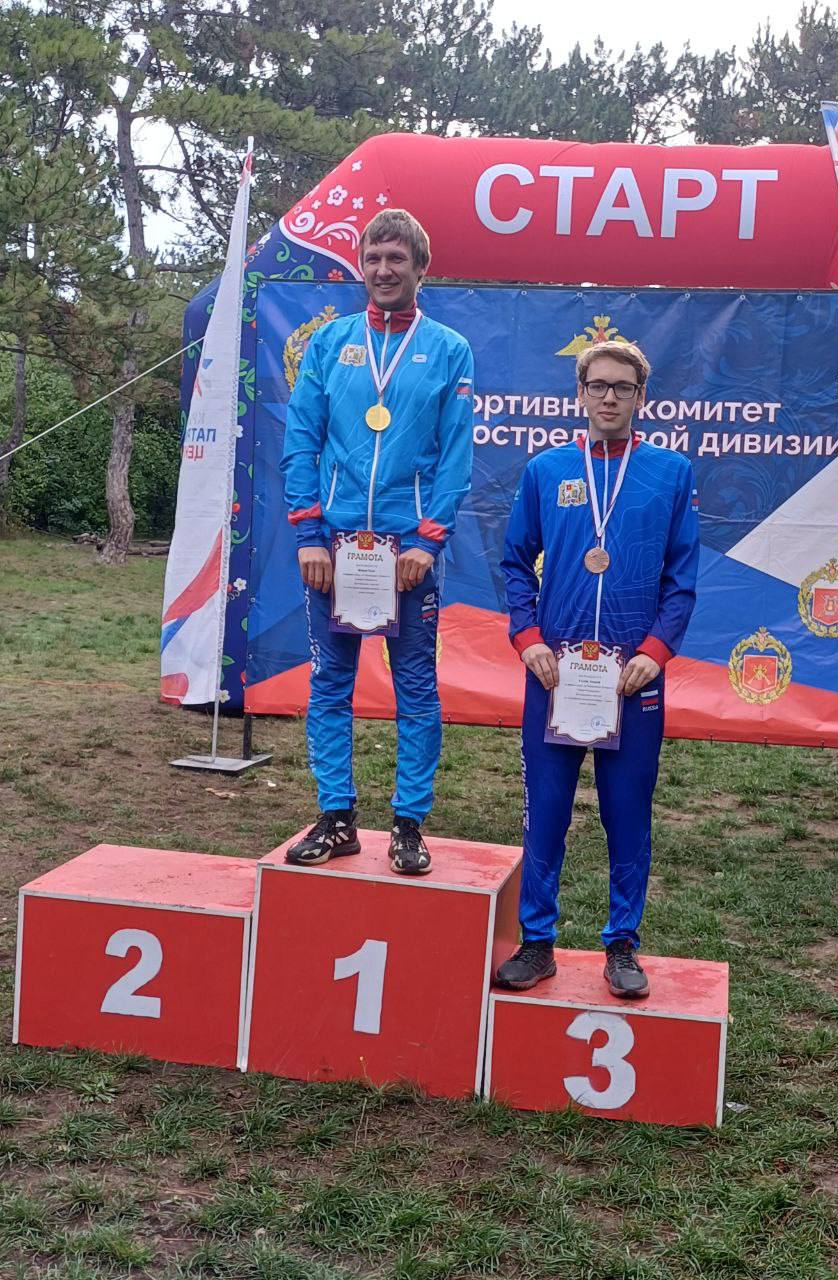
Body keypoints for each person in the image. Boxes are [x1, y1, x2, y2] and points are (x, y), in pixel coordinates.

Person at [496, 340, 699, 996]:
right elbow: (514, 563)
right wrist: (528, 639)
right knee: (547, 810)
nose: (610, 397)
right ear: (579, 394)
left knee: (627, 812)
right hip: (554, 677)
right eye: (598, 386)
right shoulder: (546, 469)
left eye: (623, 387)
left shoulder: (670, 473)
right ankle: (537, 942)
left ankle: (622, 945)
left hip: (631, 681)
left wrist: (654, 653)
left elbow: (682, 581)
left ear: (642, 397)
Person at [280, 208, 474, 874]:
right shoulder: (330, 343)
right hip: (334, 549)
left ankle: (409, 825)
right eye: (373, 259)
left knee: (415, 689)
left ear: (421, 267)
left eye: (397, 259)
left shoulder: (448, 349)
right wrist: (308, 534)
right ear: (360, 266)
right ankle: (336, 818)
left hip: (407, 553)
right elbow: (301, 440)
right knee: (329, 684)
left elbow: (455, 455)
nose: (384, 270)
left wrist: (428, 541)